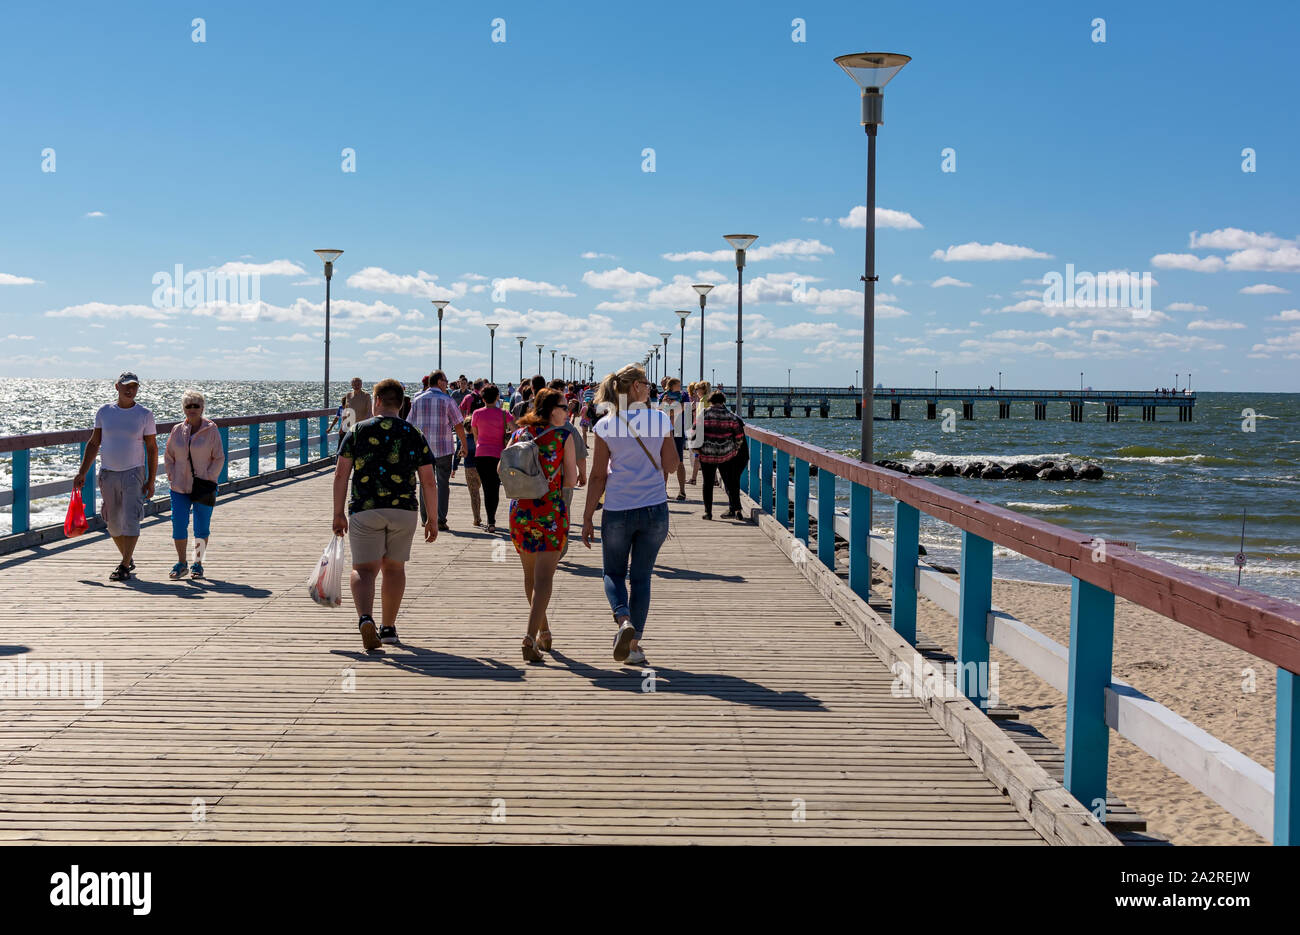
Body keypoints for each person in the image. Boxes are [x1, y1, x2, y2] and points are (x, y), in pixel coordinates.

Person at [581, 364, 678, 666]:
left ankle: (623, 621)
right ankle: (634, 646)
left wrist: (586, 517)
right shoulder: (660, 418)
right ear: (635, 387)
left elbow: (598, 476)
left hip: (618, 508)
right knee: (642, 578)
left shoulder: (605, 425)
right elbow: (672, 465)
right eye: (647, 383)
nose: (650, 388)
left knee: (612, 573)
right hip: (654, 509)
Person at [333, 378, 437, 650]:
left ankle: (365, 618)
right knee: (394, 568)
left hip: (365, 509)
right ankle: (388, 628)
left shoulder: (356, 431)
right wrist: (433, 518)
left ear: (376, 401)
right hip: (403, 510)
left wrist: (337, 513)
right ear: (402, 404)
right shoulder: (414, 433)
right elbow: (428, 480)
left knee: (364, 569)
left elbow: (341, 474)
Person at [508, 388, 578, 662]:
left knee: (530, 576)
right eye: (564, 406)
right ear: (552, 409)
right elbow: (570, 480)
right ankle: (529, 637)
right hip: (549, 511)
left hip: (520, 511)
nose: (568, 411)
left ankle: (544, 631)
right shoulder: (563, 437)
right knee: (544, 578)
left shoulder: (518, 434)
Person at [73, 372, 158, 582]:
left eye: (134, 386)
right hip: (108, 473)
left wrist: (151, 480)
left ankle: (123, 566)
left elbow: (152, 448)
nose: (130, 389)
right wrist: (82, 471)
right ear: (117, 387)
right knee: (112, 522)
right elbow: (94, 443)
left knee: (131, 519)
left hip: (133, 473)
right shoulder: (104, 412)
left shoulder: (145, 414)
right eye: (126, 385)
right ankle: (127, 558)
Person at [162, 389, 224, 579]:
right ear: (183, 409)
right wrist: (172, 475)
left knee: (201, 526)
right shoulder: (177, 430)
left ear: (202, 408)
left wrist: (209, 476)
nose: (192, 409)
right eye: (188, 406)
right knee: (178, 524)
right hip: (180, 486)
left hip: (204, 485)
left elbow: (218, 457)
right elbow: (169, 456)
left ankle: (197, 563)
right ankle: (181, 563)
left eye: (196, 405)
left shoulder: (211, 429)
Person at [408, 370, 468, 531]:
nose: (447, 383)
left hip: (422, 449)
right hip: (443, 448)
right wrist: (464, 445)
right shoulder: (447, 400)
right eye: (446, 381)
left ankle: (425, 518)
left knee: (424, 483)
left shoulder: (417, 400)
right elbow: (458, 424)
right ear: (439, 382)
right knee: (442, 484)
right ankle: (440, 519)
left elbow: (409, 425)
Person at [697, 391, 748, 520]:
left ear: (710, 401)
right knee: (729, 483)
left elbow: (695, 432)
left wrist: (696, 450)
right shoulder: (730, 416)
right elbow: (739, 436)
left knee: (707, 483)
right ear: (723, 401)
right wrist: (734, 449)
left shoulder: (704, 414)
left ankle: (708, 513)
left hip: (707, 454)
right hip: (726, 455)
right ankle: (736, 510)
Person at [469, 384, 512, 533]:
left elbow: (475, 435)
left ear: (483, 398)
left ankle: (491, 521)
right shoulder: (504, 414)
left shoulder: (476, 414)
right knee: (494, 488)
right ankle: (491, 520)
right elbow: (516, 430)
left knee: (487, 488)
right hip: (498, 455)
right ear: (498, 397)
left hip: (481, 454)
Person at [558, 398, 589, 560]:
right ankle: (560, 550)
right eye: (564, 407)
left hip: (535, 482)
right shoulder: (567, 428)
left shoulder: (529, 427)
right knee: (563, 514)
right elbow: (580, 455)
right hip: (563, 481)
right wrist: (583, 474)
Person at [660, 377, 689, 501]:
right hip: (666, 430)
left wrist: (671, 409)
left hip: (678, 430)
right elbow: (662, 411)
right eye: (678, 384)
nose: (681, 386)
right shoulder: (663, 396)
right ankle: (663, 490)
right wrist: (674, 409)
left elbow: (685, 408)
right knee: (664, 461)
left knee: (680, 461)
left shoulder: (684, 395)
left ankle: (682, 491)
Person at [327, 378, 372, 452]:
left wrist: (365, 424)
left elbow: (369, 412)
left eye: (358, 384)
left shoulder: (366, 395)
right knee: (347, 448)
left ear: (361, 385)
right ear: (351, 385)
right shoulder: (348, 395)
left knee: (360, 448)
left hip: (361, 426)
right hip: (349, 426)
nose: (356, 386)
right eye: (354, 384)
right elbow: (345, 412)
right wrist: (341, 427)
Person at [687, 381, 711, 486]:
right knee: (708, 456)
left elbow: (702, 417)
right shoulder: (706, 399)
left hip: (702, 431)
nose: (695, 392)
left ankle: (693, 478)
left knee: (698, 455)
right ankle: (713, 479)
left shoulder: (704, 400)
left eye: (697, 389)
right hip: (707, 430)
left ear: (702, 390)